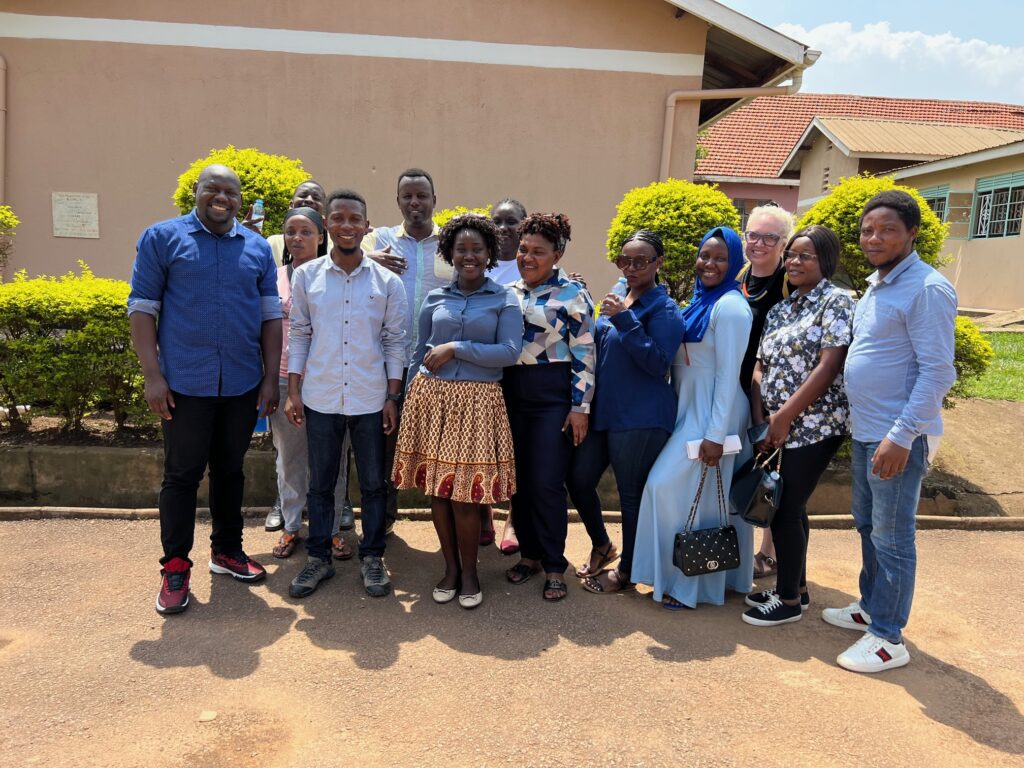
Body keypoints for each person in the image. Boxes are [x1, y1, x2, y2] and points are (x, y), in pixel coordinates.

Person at [128, 164, 282, 615]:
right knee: (181, 476)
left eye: (230, 191)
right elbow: (142, 308)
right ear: (195, 193)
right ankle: (175, 566)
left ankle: (226, 551)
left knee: (231, 471)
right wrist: (153, 376)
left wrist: (270, 378)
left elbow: (271, 317)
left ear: (239, 199)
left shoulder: (256, 248)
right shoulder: (162, 238)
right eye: (212, 188)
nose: (221, 197)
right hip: (184, 384)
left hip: (240, 382)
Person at [824, 190, 956, 672]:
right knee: (867, 524)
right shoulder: (879, 286)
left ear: (913, 234)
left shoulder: (926, 288)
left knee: (894, 536)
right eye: (867, 230)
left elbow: (938, 372)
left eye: (887, 230)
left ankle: (887, 638)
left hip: (896, 437)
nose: (874, 238)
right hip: (866, 432)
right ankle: (870, 607)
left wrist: (901, 437)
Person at [392, 214, 523, 609]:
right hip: (432, 400)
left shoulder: (504, 299)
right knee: (439, 491)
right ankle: (449, 568)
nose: (469, 256)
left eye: (477, 249)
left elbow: (510, 353)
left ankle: (470, 573)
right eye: (461, 249)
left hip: (478, 404)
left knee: (466, 495)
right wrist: (406, 400)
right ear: (449, 253)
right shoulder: (436, 299)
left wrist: (457, 348)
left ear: (490, 254)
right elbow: (419, 352)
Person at [283, 189, 407, 599]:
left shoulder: (388, 282)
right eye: (339, 218)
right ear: (327, 225)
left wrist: (392, 397)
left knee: (373, 483)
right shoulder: (307, 276)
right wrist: (294, 390)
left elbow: (394, 342)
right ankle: (318, 558)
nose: (347, 226)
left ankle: (372, 556)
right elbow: (299, 333)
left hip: (371, 399)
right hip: (321, 396)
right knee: (321, 484)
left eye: (356, 219)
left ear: (366, 227)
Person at [631, 226, 754, 610]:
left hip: (714, 413)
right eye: (705, 255)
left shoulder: (731, 307)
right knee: (690, 500)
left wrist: (715, 434)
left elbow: (728, 374)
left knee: (667, 488)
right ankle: (683, 579)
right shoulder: (700, 302)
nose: (710, 264)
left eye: (720, 258)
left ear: (735, 262)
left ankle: (692, 587)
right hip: (689, 409)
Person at [742, 225, 855, 626]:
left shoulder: (837, 301)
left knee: (785, 507)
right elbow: (759, 365)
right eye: (791, 254)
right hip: (774, 426)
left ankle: (788, 602)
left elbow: (829, 365)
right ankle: (799, 588)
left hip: (816, 425)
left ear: (825, 260)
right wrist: (761, 420)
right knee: (793, 507)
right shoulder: (782, 308)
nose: (794, 262)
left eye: (804, 255)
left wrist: (784, 417)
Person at [574, 231, 684, 595]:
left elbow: (658, 363)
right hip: (605, 412)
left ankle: (628, 572)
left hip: (641, 417)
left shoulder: (664, 309)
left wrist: (625, 320)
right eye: (624, 260)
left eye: (641, 261)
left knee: (630, 496)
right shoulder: (620, 293)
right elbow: (598, 344)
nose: (631, 267)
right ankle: (603, 545)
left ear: (658, 263)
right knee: (577, 479)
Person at [503, 213, 596, 602]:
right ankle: (530, 555)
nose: (528, 257)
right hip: (510, 395)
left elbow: (585, 354)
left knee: (545, 482)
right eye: (524, 249)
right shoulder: (507, 291)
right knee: (518, 483)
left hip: (553, 399)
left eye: (538, 252)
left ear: (557, 254)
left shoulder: (573, 295)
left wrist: (581, 407)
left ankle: (555, 564)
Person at [258, 180, 356, 538]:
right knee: (290, 458)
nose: (297, 238)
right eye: (290, 232)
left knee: (331, 462)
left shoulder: (336, 277)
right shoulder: (272, 278)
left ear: (321, 236)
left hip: (328, 380)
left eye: (306, 231)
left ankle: (330, 532)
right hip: (285, 380)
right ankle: (292, 525)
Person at [363, 168, 450, 535]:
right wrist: (372, 263)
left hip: (439, 366)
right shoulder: (378, 241)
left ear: (434, 200)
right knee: (386, 444)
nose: (415, 203)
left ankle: (461, 524)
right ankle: (383, 519)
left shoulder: (450, 243)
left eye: (422, 196)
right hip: (388, 365)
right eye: (407, 197)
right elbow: (339, 258)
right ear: (398, 201)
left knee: (445, 448)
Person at [739, 204, 795, 580]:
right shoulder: (740, 276)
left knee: (775, 474)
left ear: (784, 243)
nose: (759, 243)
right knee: (749, 471)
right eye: (753, 235)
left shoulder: (790, 282)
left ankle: (768, 554)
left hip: (775, 397)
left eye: (769, 237)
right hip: (739, 390)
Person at [486, 196, 528, 553]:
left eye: (511, 221)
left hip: (518, 375)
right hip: (482, 375)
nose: (503, 229)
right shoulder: (476, 263)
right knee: (481, 447)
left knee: (514, 450)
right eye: (496, 221)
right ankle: (483, 511)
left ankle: (512, 520)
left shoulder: (531, 264)